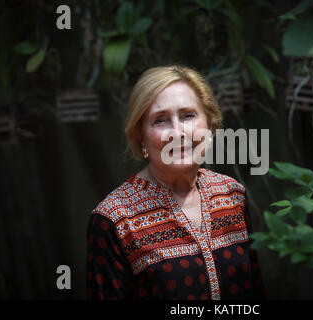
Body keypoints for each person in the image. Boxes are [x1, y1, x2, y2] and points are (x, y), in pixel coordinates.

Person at [86, 65, 265, 300]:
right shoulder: (115, 219)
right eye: (161, 120)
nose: (178, 132)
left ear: (209, 124)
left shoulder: (232, 195)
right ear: (140, 135)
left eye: (188, 116)